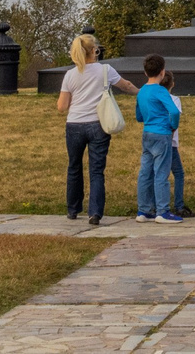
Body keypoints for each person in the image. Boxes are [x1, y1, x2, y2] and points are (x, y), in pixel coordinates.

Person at [54, 33, 137, 228]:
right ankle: (95, 212)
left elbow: (61, 106)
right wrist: (142, 92)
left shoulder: (70, 74)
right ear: (95, 50)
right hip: (98, 124)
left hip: (74, 124)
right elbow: (126, 86)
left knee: (74, 167)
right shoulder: (105, 70)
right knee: (97, 170)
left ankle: (73, 209)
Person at [133, 55, 185, 224]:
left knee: (145, 172)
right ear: (162, 72)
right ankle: (162, 211)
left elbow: (139, 115)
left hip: (147, 132)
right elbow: (174, 111)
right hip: (162, 133)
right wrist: (172, 126)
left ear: (145, 71)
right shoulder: (161, 91)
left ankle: (144, 210)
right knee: (161, 172)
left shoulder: (142, 91)